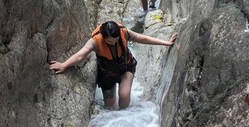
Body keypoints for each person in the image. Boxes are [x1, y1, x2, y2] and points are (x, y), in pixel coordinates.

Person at [49, 21, 177, 109]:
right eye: (110, 42)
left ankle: (124, 118)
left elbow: (143, 39)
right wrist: (64, 65)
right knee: (109, 107)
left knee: (124, 95)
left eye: (116, 40)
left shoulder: (124, 33)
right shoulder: (95, 41)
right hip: (107, 72)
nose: (113, 43)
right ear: (103, 38)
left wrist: (166, 43)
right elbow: (81, 55)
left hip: (126, 66)